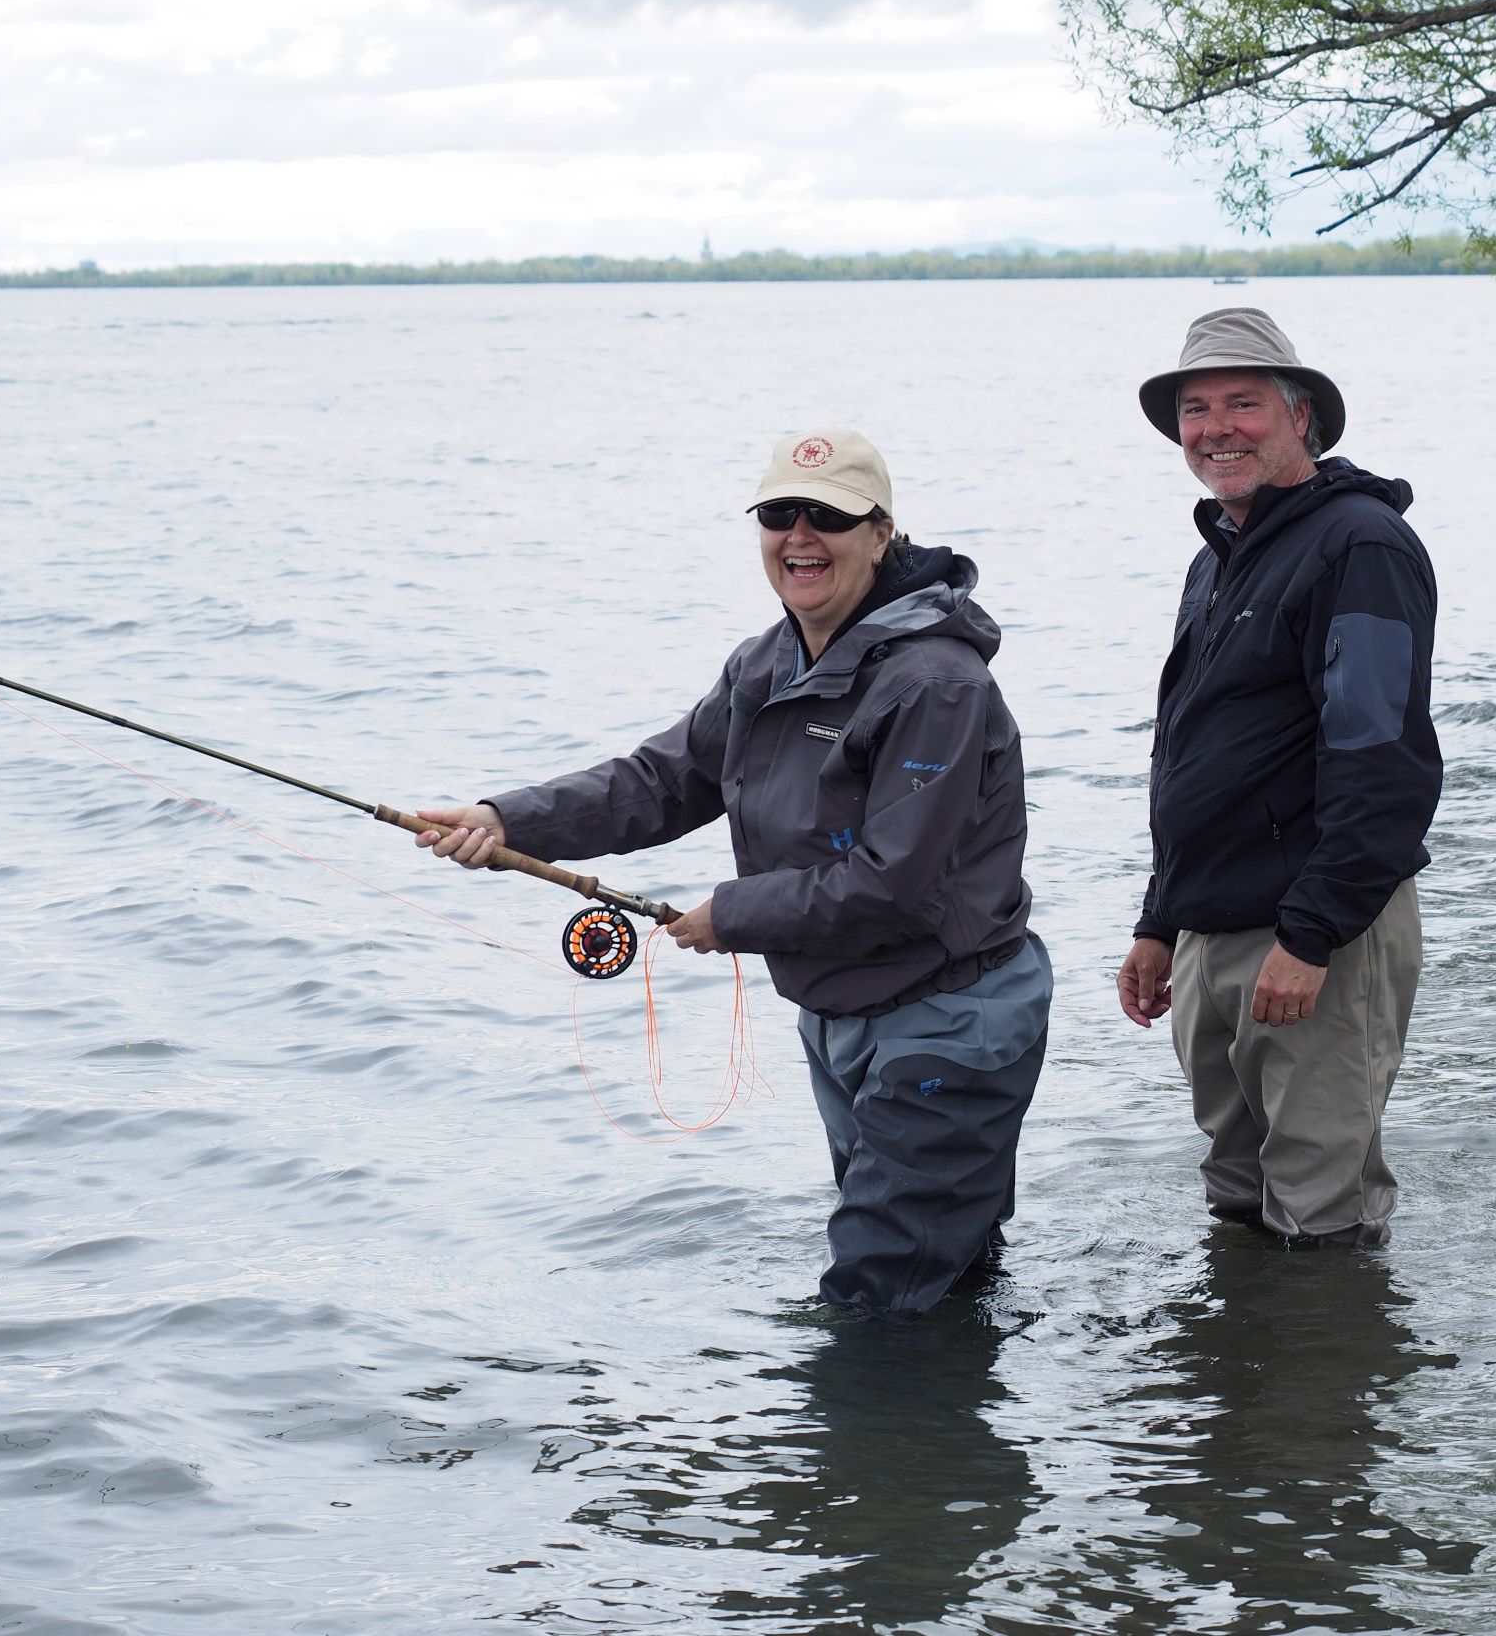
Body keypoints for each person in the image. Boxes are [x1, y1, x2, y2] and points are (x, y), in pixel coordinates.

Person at [416, 430, 1049, 1315]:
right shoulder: (766, 664)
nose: (801, 535)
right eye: (779, 514)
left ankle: (875, 1438)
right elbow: (662, 781)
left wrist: (733, 915)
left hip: (949, 1016)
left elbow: (898, 884)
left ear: (883, 533)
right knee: (943, 1272)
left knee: (875, 1297)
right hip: (841, 1011)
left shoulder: (936, 686)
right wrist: (506, 819)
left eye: (828, 516)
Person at [1116, 308, 1441, 1249]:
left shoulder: (1360, 548)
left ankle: (1325, 1387)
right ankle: (1240, 1385)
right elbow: (1191, 754)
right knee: (1235, 1185)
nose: (1215, 428)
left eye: (1243, 403)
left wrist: (1312, 933)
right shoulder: (1215, 560)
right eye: (1195, 408)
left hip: (1313, 934)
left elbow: (1382, 759)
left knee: (1319, 1202)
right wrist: (1157, 920)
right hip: (1207, 935)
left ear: (1302, 415)